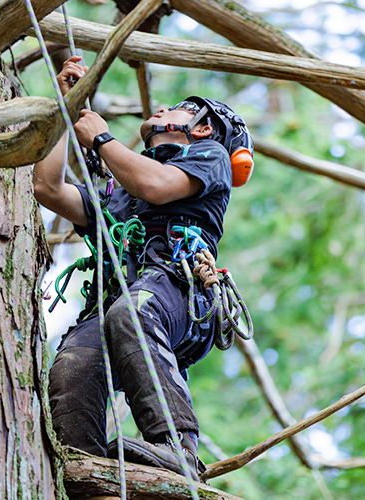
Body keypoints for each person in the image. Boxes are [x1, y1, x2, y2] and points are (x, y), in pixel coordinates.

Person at [32, 56, 253, 482]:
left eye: (178, 109)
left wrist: (101, 140)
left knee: (134, 310)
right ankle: (85, 467)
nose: (160, 110)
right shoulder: (121, 194)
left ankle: (177, 447)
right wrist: (63, 106)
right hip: (123, 305)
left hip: (177, 295)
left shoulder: (209, 157)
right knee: (74, 361)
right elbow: (48, 188)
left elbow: (155, 185)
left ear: (204, 127)